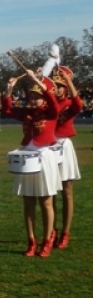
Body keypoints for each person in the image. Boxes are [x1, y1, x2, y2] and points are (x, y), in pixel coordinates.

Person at [2, 69, 61, 257]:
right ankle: (31, 241)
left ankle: (47, 239)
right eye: (31, 97)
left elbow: (53, 101)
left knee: (46, 202)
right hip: (27, 157)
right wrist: (9, 90)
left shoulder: (51, 112)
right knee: (28, 202)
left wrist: (37, 80)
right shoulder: (27, 113)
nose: (33, 101)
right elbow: (7, 109)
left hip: (44, 156)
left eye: (37, 97)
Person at [52, 65, 82, 248]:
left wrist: (69, 81)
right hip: (48, 145)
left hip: (64, 145)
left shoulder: (70, 103)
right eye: (54, 85)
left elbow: (79, 105)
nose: (56, 89)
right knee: (50, 192)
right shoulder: (48, 102)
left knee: (67, 191)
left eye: (60, 86)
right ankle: (52, 230)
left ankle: (65, 232)